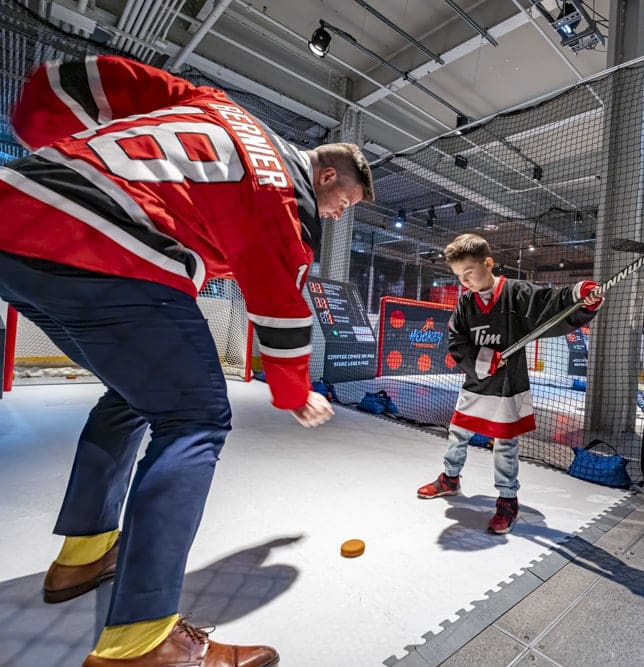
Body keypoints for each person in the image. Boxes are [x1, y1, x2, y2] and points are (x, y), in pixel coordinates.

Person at [0, 55, 373, 666]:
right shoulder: (285, 194)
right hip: (108, 248)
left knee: (132, 394)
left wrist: (48, 151)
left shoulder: (212, 102)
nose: (340, 215)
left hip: (16, 214)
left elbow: (68, 82)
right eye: (346, 202)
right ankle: (142, 645)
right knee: (195, 418)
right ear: (327, 174)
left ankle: (84, 555)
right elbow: (279, 302)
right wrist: (292, 391)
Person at [416, 234, 603, 533]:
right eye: (459, 276)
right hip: (477, 382)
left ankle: (507, 500)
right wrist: (483, 360)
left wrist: (579, 297)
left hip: (507, 387)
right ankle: (450, 478)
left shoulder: (516, 293)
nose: (465, 281)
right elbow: (456, 340)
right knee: (458, 431)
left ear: (488, 263)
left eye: (469, 272)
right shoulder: (465, 302)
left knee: (505, 445)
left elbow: (549, 303)